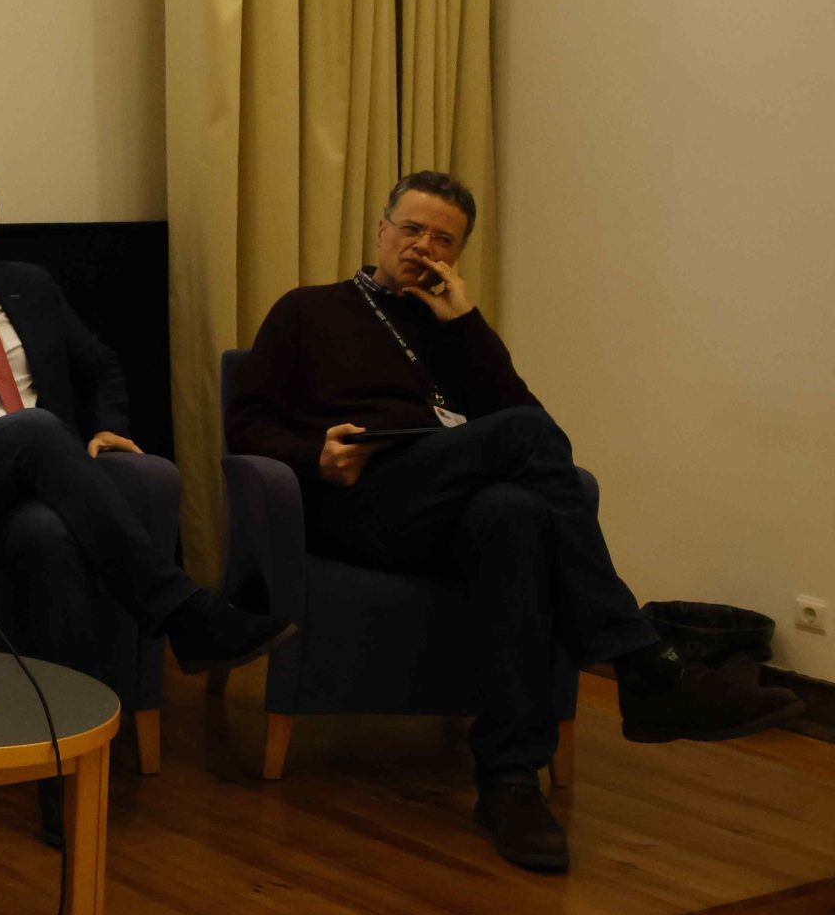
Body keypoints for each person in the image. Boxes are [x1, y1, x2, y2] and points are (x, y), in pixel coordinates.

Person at [227, 170, 798, 873]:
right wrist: (315, 455)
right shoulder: (308, 310)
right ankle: (642, 662)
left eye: (443, 239)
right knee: (523, 440)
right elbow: (245, 424)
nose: (423, 247)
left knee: (516, 513)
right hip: (357, 503)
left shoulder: (452, 328)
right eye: (411, 229)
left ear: (458, 254)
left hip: (446, 509)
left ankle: (510, 782)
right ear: (381, 230)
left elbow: (523, 418)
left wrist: (464, 323)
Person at [0, 151, 295, 837]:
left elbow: (100, 364)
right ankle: (182, 611)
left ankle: (62, 774)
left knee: (50, 539)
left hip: (39, 481)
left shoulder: (30, 286)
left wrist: (108, 427)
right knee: (36, 429)